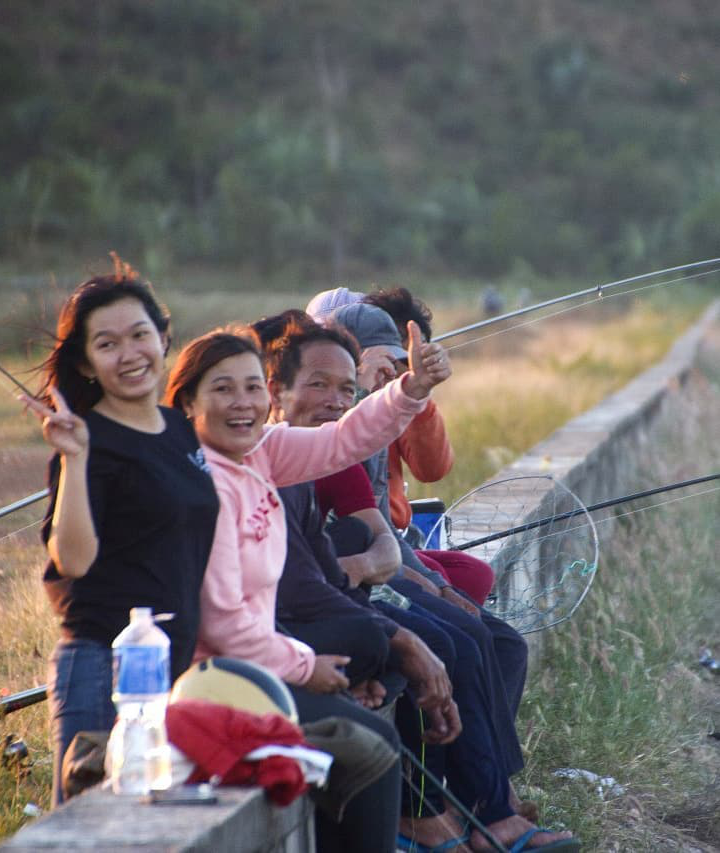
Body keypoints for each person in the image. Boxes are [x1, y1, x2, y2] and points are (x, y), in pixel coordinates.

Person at [265, 315, 577, 852]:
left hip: (341, 595)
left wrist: (413, 391)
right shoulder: (266, 453)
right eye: (318, 385)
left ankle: (484, 800)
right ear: (276, 389)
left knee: (490, 637)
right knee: (442, 641)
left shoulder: (328, 450)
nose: (335, 400)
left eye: (347, 389)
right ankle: (428, 813)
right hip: (304, 619)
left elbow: (384, 543)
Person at [163, 325, 454, 853]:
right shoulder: (202, 488)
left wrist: (410, 389)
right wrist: (307, 667)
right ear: (187, 403)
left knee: (370, 705)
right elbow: (224, 625)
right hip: (218, 681)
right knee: (373, 747)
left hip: (265, 660)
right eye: (223, 389)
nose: (243, 403)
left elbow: (343, 440)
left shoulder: (261, 452)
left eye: (253, 388)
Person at [22, 262, 220, 806]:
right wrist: (77, 460)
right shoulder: (88, 440)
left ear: (163, 336)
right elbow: (73, 560)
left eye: (140, 335)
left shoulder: (179, 428)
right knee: (97, 831)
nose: (130, 354)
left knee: (156, 826)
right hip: (104, 669)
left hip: (173, 667)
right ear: (86, 361)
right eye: (107, 344)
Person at [362, 287, 495, 604]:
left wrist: (418, 395)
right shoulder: (338, 412)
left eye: (400, 356)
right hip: (369, 547)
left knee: (476, 576)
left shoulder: (398, 401)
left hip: (396, 540)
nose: (391, 367)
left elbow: (431, 469)